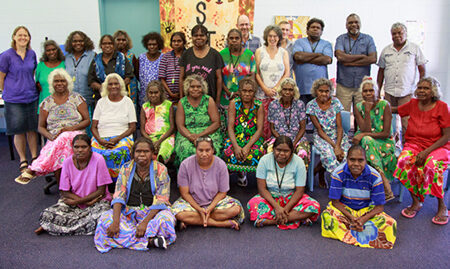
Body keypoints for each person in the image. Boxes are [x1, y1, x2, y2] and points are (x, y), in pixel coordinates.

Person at [95, 137, 176, 252]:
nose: (142, 154)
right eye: (138, 151)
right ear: (133, 154)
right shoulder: (126, 168)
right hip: (129, 211)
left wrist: (144, 223)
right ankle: (150, 241)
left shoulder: (161, 169)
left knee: (166, 221)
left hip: (152, 212)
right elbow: (118, 195)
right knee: (105, 220)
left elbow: (161, 199)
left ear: (153, 154)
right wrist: (116, 222)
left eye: (146, 151)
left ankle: (127, 237)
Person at [14, 69, 90, 184]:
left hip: (76, 134)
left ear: (67, 82)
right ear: (52, 83)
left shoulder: (77, 98)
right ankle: (65, 187)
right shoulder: (46, 103)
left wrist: (69, 129)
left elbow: (87, 120)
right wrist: (50, 136)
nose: (59, 83)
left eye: (62, 81)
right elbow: (40, 127)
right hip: (54, 138)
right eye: (56, 81)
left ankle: (34, 169)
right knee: (60, 146)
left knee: (64, 137)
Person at [393, 77, 449, 225]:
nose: (422, 91)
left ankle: (442, 205)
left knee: (431, 166)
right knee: (403, 161)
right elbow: (396, 110)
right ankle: (416, 201)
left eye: (426, 88)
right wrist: (376, 104)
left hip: (438, 146)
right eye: (419, 88)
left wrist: (426, 152)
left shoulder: (442, 107)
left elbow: (447, 136)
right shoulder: (413, 104)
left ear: (433, 92)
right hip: (415, 144)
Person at [321, 145, 397, 249]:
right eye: (352, 160)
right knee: (327, 216)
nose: (356, 164)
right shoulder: (338, 173)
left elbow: (379, 207)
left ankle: (349, 233)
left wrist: (363, 219)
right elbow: (335, 202)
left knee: (390, 223)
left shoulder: (375, 176)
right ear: (346, 160)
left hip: (366, 210)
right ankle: (363, 233)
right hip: (345, 209)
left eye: (360, 160)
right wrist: (351, 217)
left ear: (366, 161)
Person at [34, 134, 112, 235]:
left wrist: (82, 201)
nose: (80, 150)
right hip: (74, 201)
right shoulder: (67, 162)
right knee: (46, 214)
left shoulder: (98, 159)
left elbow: (101, 191)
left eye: (84, 147)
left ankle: (54, 227)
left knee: (103, 215)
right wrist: (80, 202)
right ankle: (75, 226)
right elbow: (64, 192)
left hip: (96, 201)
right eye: (76, 147)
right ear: (72, 148)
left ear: (90, 148)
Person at [172, 136, 245, 230]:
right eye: (200, 150)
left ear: (213, 150)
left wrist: (210, 208)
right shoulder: (185, 165)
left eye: (207, 150)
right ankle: (220, 223)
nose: (204, 154)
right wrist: (199, 209)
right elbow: (184, 193)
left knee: (236, 209)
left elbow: (222, 192)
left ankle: (193, 220)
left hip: (215, 202)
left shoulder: (221, 165)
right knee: (178, 213)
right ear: (196, 150)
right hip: (192, 203)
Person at [247, 135, 320, 229]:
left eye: (286, 151)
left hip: (291, 198)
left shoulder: (299, 162)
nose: (281, 153)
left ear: (292, 151)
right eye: (278, 150)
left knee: (314, 206)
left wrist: (285, 209)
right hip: (271, 198)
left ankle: (272, 221)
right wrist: (277, 207)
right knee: (253, 203)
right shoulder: (264, 160)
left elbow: (299, 191)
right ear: (273, 149)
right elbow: (262, 189)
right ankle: (295, 217)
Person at [377, 22, 427, 138]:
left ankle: (406, 149)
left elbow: (422, 70)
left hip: (407, 92)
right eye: (394, 33)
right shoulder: (386, 50)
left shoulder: (414, 49)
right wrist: (378, 91)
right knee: (388, 123)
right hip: (389, 92)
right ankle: (390, 148)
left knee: (407, 124)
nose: (397, 36)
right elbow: (381, 72)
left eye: (400, 33)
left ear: (405, 33)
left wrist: (421, 90)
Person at [0, 26, 39, 172]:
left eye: (26, 35)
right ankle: (23, 159)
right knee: (19, 130)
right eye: (20, 35)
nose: (23, 38)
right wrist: (9, 91)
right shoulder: (6, 56)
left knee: (32, 129)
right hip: (14, 99)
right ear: (14, 37)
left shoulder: (32, 54)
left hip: (31, 96)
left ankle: (35, 157)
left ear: (29, 38)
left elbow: (32, 73)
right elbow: (1, 78)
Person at [353, 77, 395, 201]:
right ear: (362, 93)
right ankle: (384, 182)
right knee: (366, 141)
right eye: (365, 91)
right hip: (367, 140)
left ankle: (379, 183)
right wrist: (366, 111)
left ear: (376, 92)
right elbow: (365, 128)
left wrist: (362, 135)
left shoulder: (384, 105)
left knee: (366, 140)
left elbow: (386, 133)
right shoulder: (359, 106)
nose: (368, 93)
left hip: (383, 141)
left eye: (371, 90)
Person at [91, 74, 137, 182]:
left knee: (121, 151)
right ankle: (100, 183)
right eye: (110, 84)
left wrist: (117, 139)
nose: (113, 86)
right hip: (101, 137)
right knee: (94, 152)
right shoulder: (101, 102)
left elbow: (132, 127)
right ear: (106, 87)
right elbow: (93, 127)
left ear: (121, 85)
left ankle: (120, 182)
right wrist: (100, 140)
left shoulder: (127, 101)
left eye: (116, 84)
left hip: (122, 136)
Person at [306, 78, 351, 188]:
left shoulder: (335, 103)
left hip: (337, 135)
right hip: (322, 136)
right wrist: (335, 147)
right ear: (316, 91)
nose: (324, 94)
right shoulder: (311, 106)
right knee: (329, 156)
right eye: (321, 91)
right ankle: (341, 185)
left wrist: (338, 145)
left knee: (347, 156)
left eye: (326, 91)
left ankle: (320, 170)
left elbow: (340, 128)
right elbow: (320, 131)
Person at [223, 78, 264, 186]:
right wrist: (236, 146)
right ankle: (239, 174)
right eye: (244, 91)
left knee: (257, 153)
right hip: (236, 137)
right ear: (239, 91)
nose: (247, 94)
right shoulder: (233, 103)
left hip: (252, 138)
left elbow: (259, 129)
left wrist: (248, 146)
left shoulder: (259, 105)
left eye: (250, 91)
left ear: (254, 92)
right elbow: (230, 127)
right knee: (228, 151)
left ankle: (258, 184)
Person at [175, 75, 222, 166]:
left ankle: (210, 177)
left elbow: (216, 123)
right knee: (185, 148)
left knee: (211, 149)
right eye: (192, 87)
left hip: (208, 132)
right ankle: (189, 178)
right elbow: (180, 126)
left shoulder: (209, 100)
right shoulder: (182, 102)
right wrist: (191, 137)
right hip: (187, 134)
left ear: (203, 88)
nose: (195, 89)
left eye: (198, 86)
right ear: (187, 88)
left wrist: (199, 136)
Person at [335, 13, 377, 111]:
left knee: (362, 114)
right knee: (342, 115)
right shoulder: (341, 39)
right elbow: (340, 57)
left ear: (360, 24)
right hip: (343, 85)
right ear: (346, 25)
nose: (353, 25)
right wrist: (362, 57)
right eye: (350, 23)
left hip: (362, 86)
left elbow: (373, 59)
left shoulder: (368, 39)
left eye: (356, 22)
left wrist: (348, 61)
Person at [255, 25, 290, 139]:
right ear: (266, 37)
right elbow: (256, 73)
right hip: (261, 94)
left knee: (277, 123)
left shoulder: (283, 52)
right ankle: (262, 149)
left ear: (279, 38)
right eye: (270, 36)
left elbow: (287, 73)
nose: (272, 38)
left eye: (275, 36)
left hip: (278, 94)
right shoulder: (259, 51)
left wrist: (275, 88)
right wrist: (265, 88)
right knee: (262, 123)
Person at [219, 28, 256, 133]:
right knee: (226, 129)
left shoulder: (249, 55)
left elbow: (252, 77)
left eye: (237, 38)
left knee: (242, 129)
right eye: (231, 38)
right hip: (225, 98)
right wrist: (228, 92)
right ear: (227, 40)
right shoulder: (221, 55)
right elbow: (218, 77)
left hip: (245, 98)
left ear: (241, 40)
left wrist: (242, 92)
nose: (234, 40)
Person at [268, 78, 310, 164]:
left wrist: (293, 144)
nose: (287, 92)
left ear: (294, 91)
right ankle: (274, 177)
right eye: (285, 89)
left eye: (290, 90)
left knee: (303, 153)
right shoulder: (273, 104)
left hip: (297, 139)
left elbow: (302, 128)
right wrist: (282, 141)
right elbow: (272, 129)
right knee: (270, 152)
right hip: (278, 138)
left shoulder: (300, 104)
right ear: (280, 90)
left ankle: (299, 177)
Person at [179, 24, 224, 103]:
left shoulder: (215, 55)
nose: (199, 37)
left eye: (202, 35)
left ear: (206, 37)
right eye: (196, 35)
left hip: (210, 101)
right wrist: (181, 99)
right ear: (191, 37)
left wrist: (217, 101)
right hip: (190, 101)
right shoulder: (186, 55)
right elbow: (181, 78)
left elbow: (219, 79)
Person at [293, 18, 333, 105]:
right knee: (302, 115)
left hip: (321, 90)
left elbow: (327, 59)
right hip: (302, 87)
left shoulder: (326, 44)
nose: (315, 29)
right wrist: (319, 55)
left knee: (319, 115)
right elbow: (298, 57)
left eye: (318, 28)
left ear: (321, 31)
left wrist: (305, 58)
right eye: (313, 27)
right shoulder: (299, 42)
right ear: (307, 30)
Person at [88, 34, 134, 103]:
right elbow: (91, 81)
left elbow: (129, 76)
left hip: (120, 97)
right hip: (101, 98)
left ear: (114, 45)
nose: (107, 46)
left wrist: (116, 87)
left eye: (110, 43)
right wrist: (103, 88)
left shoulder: (122, 58)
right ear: (101, 46)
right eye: (104, 44)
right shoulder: (96, 60)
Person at [140, 80, 175, 164]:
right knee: (146, 153)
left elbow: (172, 127)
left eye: (156, 92)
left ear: (161, 93)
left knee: (163, 152)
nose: (153, 95)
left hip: (166, 136)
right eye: (150, 93)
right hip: (149, 138)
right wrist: (151, 141)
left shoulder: (168, 105)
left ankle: (160, 169)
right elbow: (142, 129)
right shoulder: (144, 107)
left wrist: (159, 142)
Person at [64, 31, 96, 114]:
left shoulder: (93, 56)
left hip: (88, 100)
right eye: (75, 41)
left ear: (85, 42)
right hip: (70, 102)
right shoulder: (66, 58)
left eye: (81, 41)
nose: (78, 43)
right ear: (71, 43)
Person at [35, 40, 65, 108]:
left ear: (58, 50)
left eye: (53, 49)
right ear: (45, 52)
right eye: (48, 50)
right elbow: (36, 83)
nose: (51, 52)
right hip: (44, 106)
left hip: (62, 106)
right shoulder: (40, 66)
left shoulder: (64, 64)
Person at [113, 30, 139, 107]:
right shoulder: (111, 56)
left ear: (127, 42)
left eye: (123, 40)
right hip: (115, 87)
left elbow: (137, 73)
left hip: (131, 87)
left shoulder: (131, 56)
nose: (121, 42)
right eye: (118, 40)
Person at [158, 32, 186, 103]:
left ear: (184, 42)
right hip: (168, 97)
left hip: (185, 96)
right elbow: (162, 78)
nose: (176, 43)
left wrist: (182, 93)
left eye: (179, 41)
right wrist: (170, 93)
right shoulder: (165, 57)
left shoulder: (188, 55)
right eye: (174, 41)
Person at [138, 32, 164, 106]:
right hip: (144, 95)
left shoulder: (163, 57)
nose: (152, 47)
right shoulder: (141, 58)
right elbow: (137, 74)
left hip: (159, 96)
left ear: (159, 45)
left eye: (154, 44)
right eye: (149, 44)